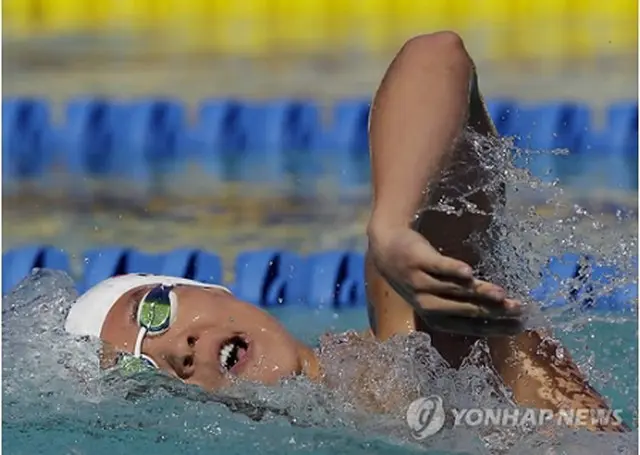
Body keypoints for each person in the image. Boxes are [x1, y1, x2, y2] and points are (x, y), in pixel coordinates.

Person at [64, 31, 627, 432]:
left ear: (209, 290)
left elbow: (436, 54)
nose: (174, 351)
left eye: (153, 312)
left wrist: (391, 226)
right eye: (143, 368)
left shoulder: (415, 333)